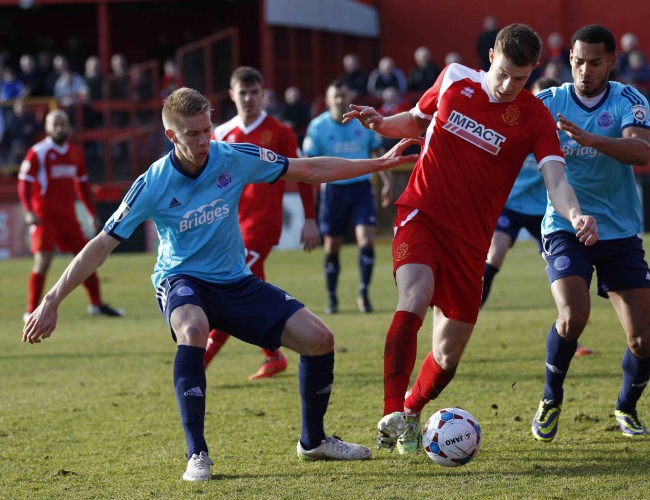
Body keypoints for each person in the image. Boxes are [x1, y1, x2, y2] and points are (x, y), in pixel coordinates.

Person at [22, 87, 419, 481]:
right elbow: (99, 247)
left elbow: (309, 169)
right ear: (171, 136)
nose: (203, 141)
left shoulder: (232, 156)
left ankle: (313, 442)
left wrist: (379, 164)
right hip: (182, 280)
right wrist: (52, 300)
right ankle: (197, 455)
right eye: (192, 134)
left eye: (206, 129)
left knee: (320, 339)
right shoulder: (153, 183)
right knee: (193, 329)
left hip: (235, 282)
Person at [343, 23, 598, 455]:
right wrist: (382, 122)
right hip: (421, 212)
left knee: (447, 355)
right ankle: (391, 412)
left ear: (533, 72)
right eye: (502, 73)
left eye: (520, 78)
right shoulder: (454, 78)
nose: (507, 86)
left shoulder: (533, 115)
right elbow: (417, 121)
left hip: (470, 241)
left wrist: (575, 214)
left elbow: (555, 177)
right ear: (492, 57)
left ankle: (410, 408)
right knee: (415, 295)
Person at [529, 24, 650, 442]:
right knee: (572, 316)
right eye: (578, 61)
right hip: (566, 225)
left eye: (595, 62)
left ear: (611, 62)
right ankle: (550, 398)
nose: (585, 70)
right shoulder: (549, 101)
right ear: (570, 60)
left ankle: (626, 406)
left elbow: (641, 151)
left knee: (640, 340)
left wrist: (590, 139)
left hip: (619, 233)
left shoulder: (627, 100)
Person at [204, 66, 321, 380]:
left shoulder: (280, 132)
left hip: (263, 225)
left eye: (254, 92)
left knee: (229, 287)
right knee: (248, 286)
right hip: (230, 226)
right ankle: (273, 354)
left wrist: (310, 219)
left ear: (263, 94)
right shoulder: (222, 133)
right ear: (232, 95)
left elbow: (306, 173)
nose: (248, 98)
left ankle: (198, 363)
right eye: (242, 92)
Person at [479, 76, 594, 357]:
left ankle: (570, 335)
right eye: (537, 98)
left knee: (562, 270)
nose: (541, 105)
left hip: (544, 210)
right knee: (496, 253)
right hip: (511, 205)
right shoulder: (518, 126)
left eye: (548, 101)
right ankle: (466, 315)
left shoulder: (562, 135)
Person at [17, 109, 123, 321]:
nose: (59, 128)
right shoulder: (38, 152)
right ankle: (30, 311)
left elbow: (83, 187)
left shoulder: (75, 153)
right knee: (43, 261)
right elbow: (23, 185)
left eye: (62, 123)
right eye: (54, 124)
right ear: (47, 128)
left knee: (87, 258)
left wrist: (91, 214)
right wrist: (29, 212)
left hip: (69, 217)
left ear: (69, 127)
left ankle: (96, 304)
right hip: (45, 217)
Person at [303, 80, 393, 315]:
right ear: (328, 99)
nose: (340, 100)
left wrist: (388, 181)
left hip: (361, 188)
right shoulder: (318, 126)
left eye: (343, 95)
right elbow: (308, 160)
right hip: (333, 190)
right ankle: (332, 299)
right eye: (336, 96)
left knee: (366, 240)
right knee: (332, 246)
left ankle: (363, 293)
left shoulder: (361, 123)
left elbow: (378, 153)